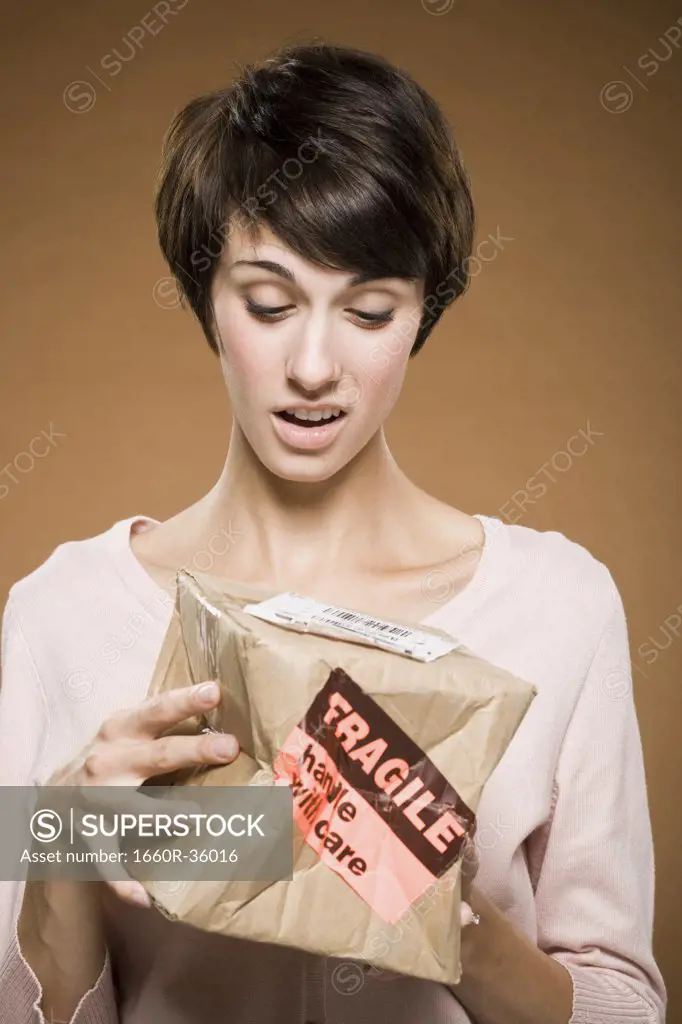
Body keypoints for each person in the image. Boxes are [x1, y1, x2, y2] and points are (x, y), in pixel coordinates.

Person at [0, 40, 667, 1024]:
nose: (314, 365)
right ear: (207, 301)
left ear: (421, 314)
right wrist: (63, 849)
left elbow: (622, 1003)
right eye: (269, 303)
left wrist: (442, 910)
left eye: (368, 310)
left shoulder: (557, 606)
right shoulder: (62, 612)